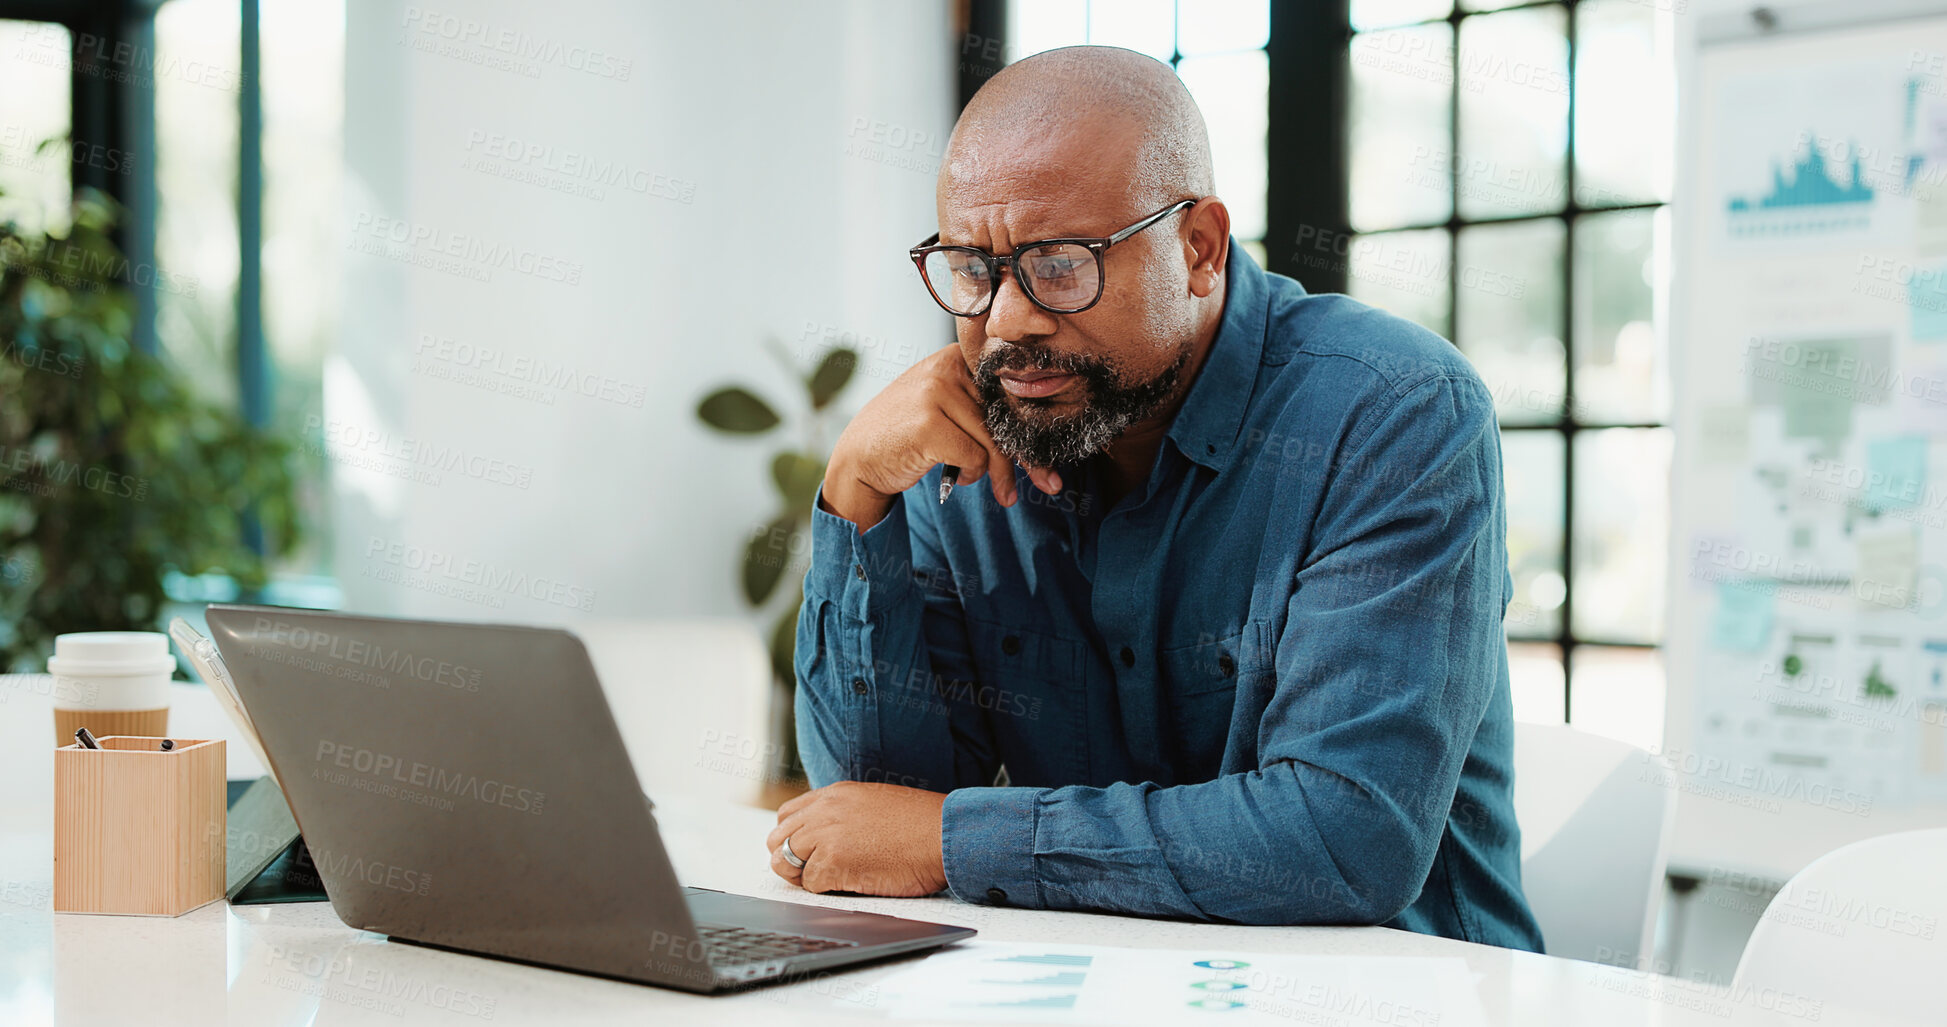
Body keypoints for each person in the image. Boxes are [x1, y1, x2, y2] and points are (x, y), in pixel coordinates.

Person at [765, 44, 1544, 953]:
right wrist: (854, 494)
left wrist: (955, 836)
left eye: (1059, 265)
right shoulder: (971, 430)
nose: (1007, 322)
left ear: (1199, 249)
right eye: (972, 269)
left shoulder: (1390, 413)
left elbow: (1342, 840)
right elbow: (869, 814)